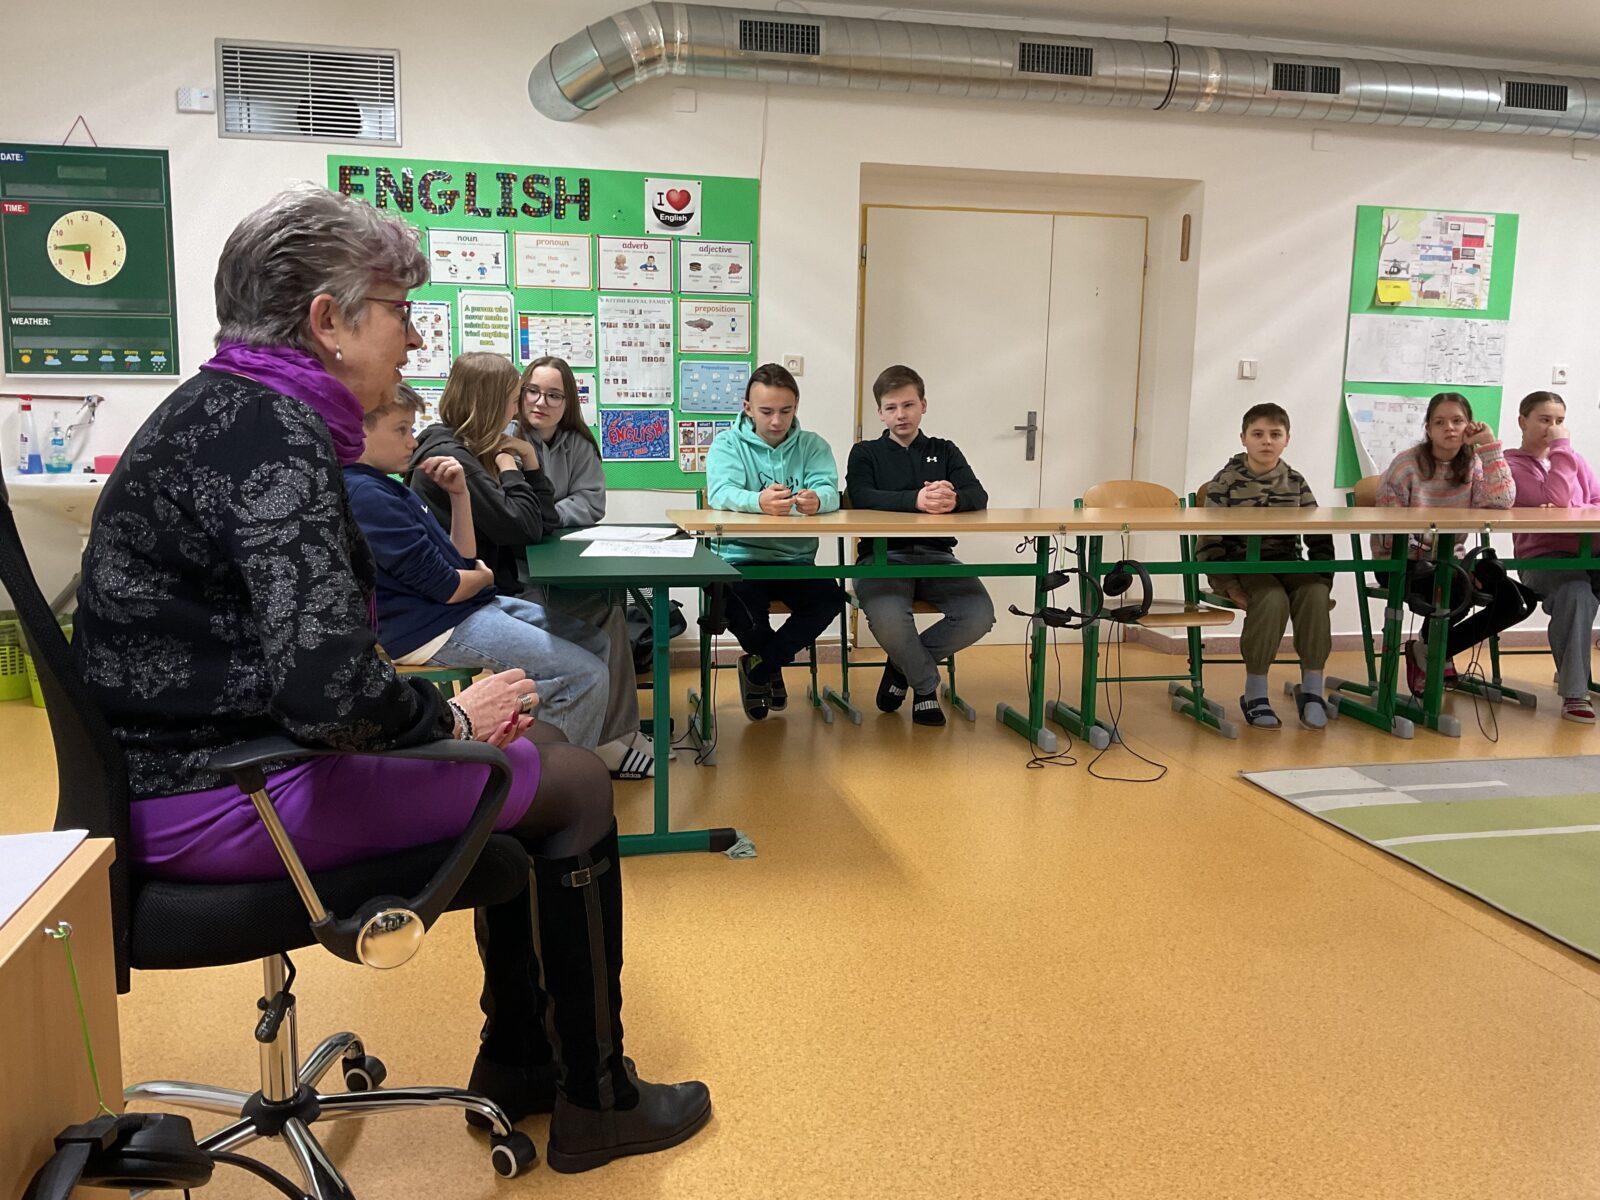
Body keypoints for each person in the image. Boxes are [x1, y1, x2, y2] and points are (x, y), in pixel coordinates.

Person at [71, 184, 709, 1173]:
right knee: (577, 781)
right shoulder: (275, 434)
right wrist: (453, 713)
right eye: (400, 312)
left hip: (177, 776)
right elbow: (329, 694)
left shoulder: (217, 410)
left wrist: (455, 718)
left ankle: (521, 1060)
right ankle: (599, 1101)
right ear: (328, 321)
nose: (413, 340)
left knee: (533, 750)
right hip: (228, 794)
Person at [412, 354, 656, 773]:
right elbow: (525, 525)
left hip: (484, 589)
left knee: (607, 616)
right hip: (473, 599)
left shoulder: (495, 447)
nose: (527, 405)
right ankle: (559, 773)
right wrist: (518, 468)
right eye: (523, 395)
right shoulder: (469, 453)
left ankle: (604, 739)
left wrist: (529, 479)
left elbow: (556, 513)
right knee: (586, 665)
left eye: (553, 395)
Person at [344, 384, 609, 749]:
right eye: (401, 430)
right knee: (584, 674)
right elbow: (450, 586)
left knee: (594, 642)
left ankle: (551, 745)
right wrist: (483, 578)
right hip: (432, 628)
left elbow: (461, 560)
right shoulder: (367, 495)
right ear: (360, 431)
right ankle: (556, 773)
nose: (412, 441)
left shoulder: (387, 487)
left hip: (461, 608)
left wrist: (460, 495)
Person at [515, 356, 658, 777]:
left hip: (562, 564)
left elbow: (592, 502)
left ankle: (620, 733)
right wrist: (542, 515)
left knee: (612, 613)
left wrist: (548, 515)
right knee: (587, 621)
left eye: (553, 395)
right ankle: (607, 743)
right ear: (520, 394)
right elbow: (511, 511)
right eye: (533, 391)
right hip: (517, 575)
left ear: (568, 403)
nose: (541, 402)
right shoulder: (505, 440)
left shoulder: (578, 444)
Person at [845, 364, 994, 726]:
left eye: (908, 405)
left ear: (923, 405)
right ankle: (925, 687)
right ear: (880, 413)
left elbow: (978, 494)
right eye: (891, 407)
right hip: (881, 558)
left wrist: (954, 500)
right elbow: (859, 496)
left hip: (937, 556)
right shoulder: (865, 453)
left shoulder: (945, 450)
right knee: (891, 622)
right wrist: (915, 500)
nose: (901, 414)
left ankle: (901, 667)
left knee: (979, 615)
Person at [704, 362, 845, 720]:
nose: (777, 421)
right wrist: (759, 502)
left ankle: (760, 669)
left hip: (795, 559)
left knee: (830, 599)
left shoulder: (812, 445)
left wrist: (819, 500)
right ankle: (771, 668)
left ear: (796, 406)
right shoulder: (727, 444)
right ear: (747, 408)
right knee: (744, 614)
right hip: (739, 558)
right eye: (766, 411)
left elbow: (831, 490)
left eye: (786, 411)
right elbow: (720, 493)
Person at [1374, 391, 1535, 695]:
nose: (1449, 428)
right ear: (1428, 428)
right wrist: (1443, 562)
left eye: (1457, 421)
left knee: (1517, 601)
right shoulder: (1406, 465)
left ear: (1468, 425)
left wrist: (1489, 447)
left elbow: (1502, 501)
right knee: (1458, 586)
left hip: (1454, 563)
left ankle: (1430, 651)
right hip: (1401, 563)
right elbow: (1389, 532)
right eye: (1440, 422)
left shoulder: (1473, 464)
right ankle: (1434, 656)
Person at [1195, 403, 1334, 730]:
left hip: (1287, 563)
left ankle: (1312, 689)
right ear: (1243, 438)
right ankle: (1255, 691)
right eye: (1258, 434)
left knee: (1314, 593)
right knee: (1271, 599)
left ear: (1287, 440)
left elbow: (1319, 532)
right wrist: (1229, 585)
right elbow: (1209, 542)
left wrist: (1323, 578)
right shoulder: (1224, 482)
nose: (1266, 441)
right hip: (1242, 566)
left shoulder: (1295, 481)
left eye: (1275, 434)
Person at [1506, 390, 1600, 723]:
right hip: (1542, 559)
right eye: (1545, 420)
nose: (1553, 427)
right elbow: (1559, 500)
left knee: (1582, 586)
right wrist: (1561, 447)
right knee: (1576, 593)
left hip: (1589, 554)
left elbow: (1596, 500)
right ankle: (1575, 692)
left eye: (1559, 420)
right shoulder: (1511, 466)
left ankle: (1575, 667)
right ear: (1523, 422)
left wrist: (1580, 507)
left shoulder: (1575, 460)